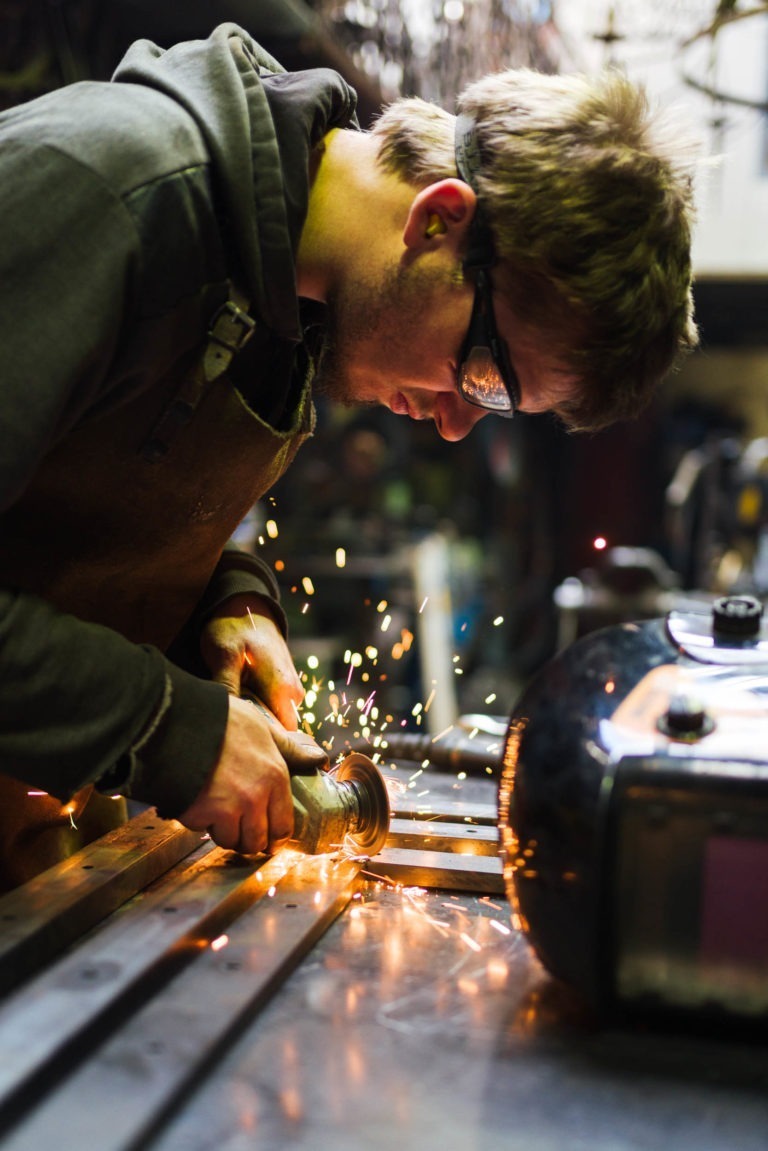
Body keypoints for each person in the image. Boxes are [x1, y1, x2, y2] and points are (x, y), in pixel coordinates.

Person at [0, 22, 698, 887]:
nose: (451, 424)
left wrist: (219, 599)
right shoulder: (112, 193)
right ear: (441, 217)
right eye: (480, 374)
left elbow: (58, 507)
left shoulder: (285, 307)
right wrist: (167, 727)